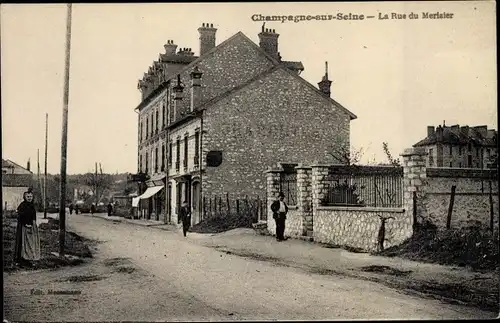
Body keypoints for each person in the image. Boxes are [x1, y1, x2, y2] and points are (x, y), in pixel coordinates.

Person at [14, 189, 41, 266]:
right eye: (28, 196)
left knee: (31, 242)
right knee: (23, 242)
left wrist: (34, 224)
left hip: (31, 226)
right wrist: (26, 223)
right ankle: (20, 260)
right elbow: (20, 216)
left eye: (31, 196)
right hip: (23, 226)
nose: (29, 198)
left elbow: (33, 216)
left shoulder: (32, 205)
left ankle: (29, 258)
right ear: (24, 197)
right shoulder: (22, 205)